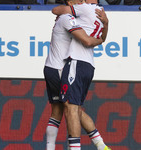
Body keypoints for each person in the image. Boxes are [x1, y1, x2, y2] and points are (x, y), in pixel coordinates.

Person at [44, 4, 107, 150]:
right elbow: (88, 41)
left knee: (63, 110)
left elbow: (55, 10)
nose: (81, 3)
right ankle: (98, 145)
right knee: (72, 109)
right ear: (71, 4)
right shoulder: (69, 18)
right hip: (62, 68)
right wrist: (102, 39)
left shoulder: (69, 17)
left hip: (52, 66)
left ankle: (51, 147)